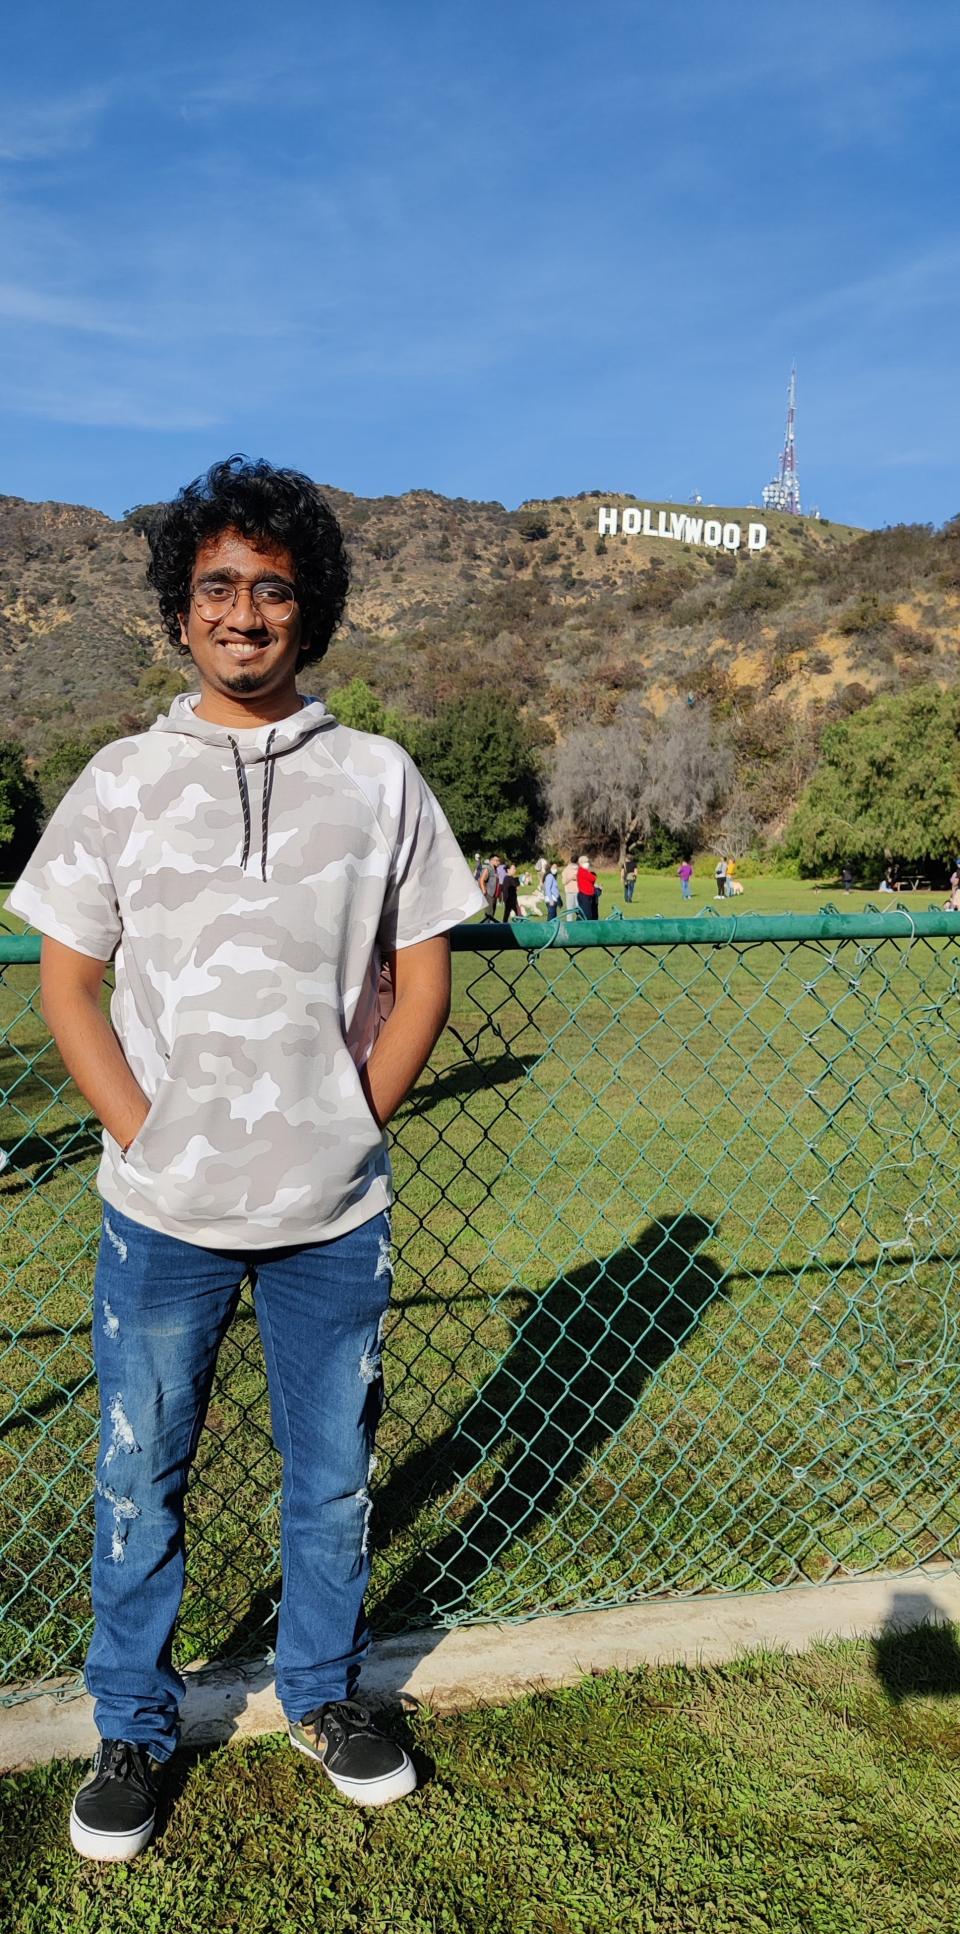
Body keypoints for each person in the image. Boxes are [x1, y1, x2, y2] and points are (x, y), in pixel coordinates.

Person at [8, 457, 483, 1862]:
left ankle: (327, 1693)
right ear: (179, 609)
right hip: (161, 1212)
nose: (245, 611)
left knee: (330, 1472)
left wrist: (352, 1120)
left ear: (311, 608)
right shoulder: (122, 780)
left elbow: (425, 976)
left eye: (275, 588)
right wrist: (148, 1132)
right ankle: (134, 1721)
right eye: (218, 585)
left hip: (332, 1214)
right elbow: (65, 988)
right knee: (139, 1468)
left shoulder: (381, 778)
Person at [576, 855, 600, 921]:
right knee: (587, 913)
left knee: (583, 912)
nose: (588, 864)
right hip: (585, 894)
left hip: (586, 894)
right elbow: (593, 878)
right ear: (581, 863)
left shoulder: (584, 871)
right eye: (586, 862)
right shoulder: (582, 871)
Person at [479, 856, 499, 921]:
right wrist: (484, 890)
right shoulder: (488, 869)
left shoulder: (495, 870)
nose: (498, 862)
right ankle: (484, 929)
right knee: (489, 914)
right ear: (491, 860)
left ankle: (489, 929)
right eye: (496, 860)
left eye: (498, 861)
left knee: (492, 914)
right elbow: (481, 879)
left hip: (494, 895)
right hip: (489, 894)